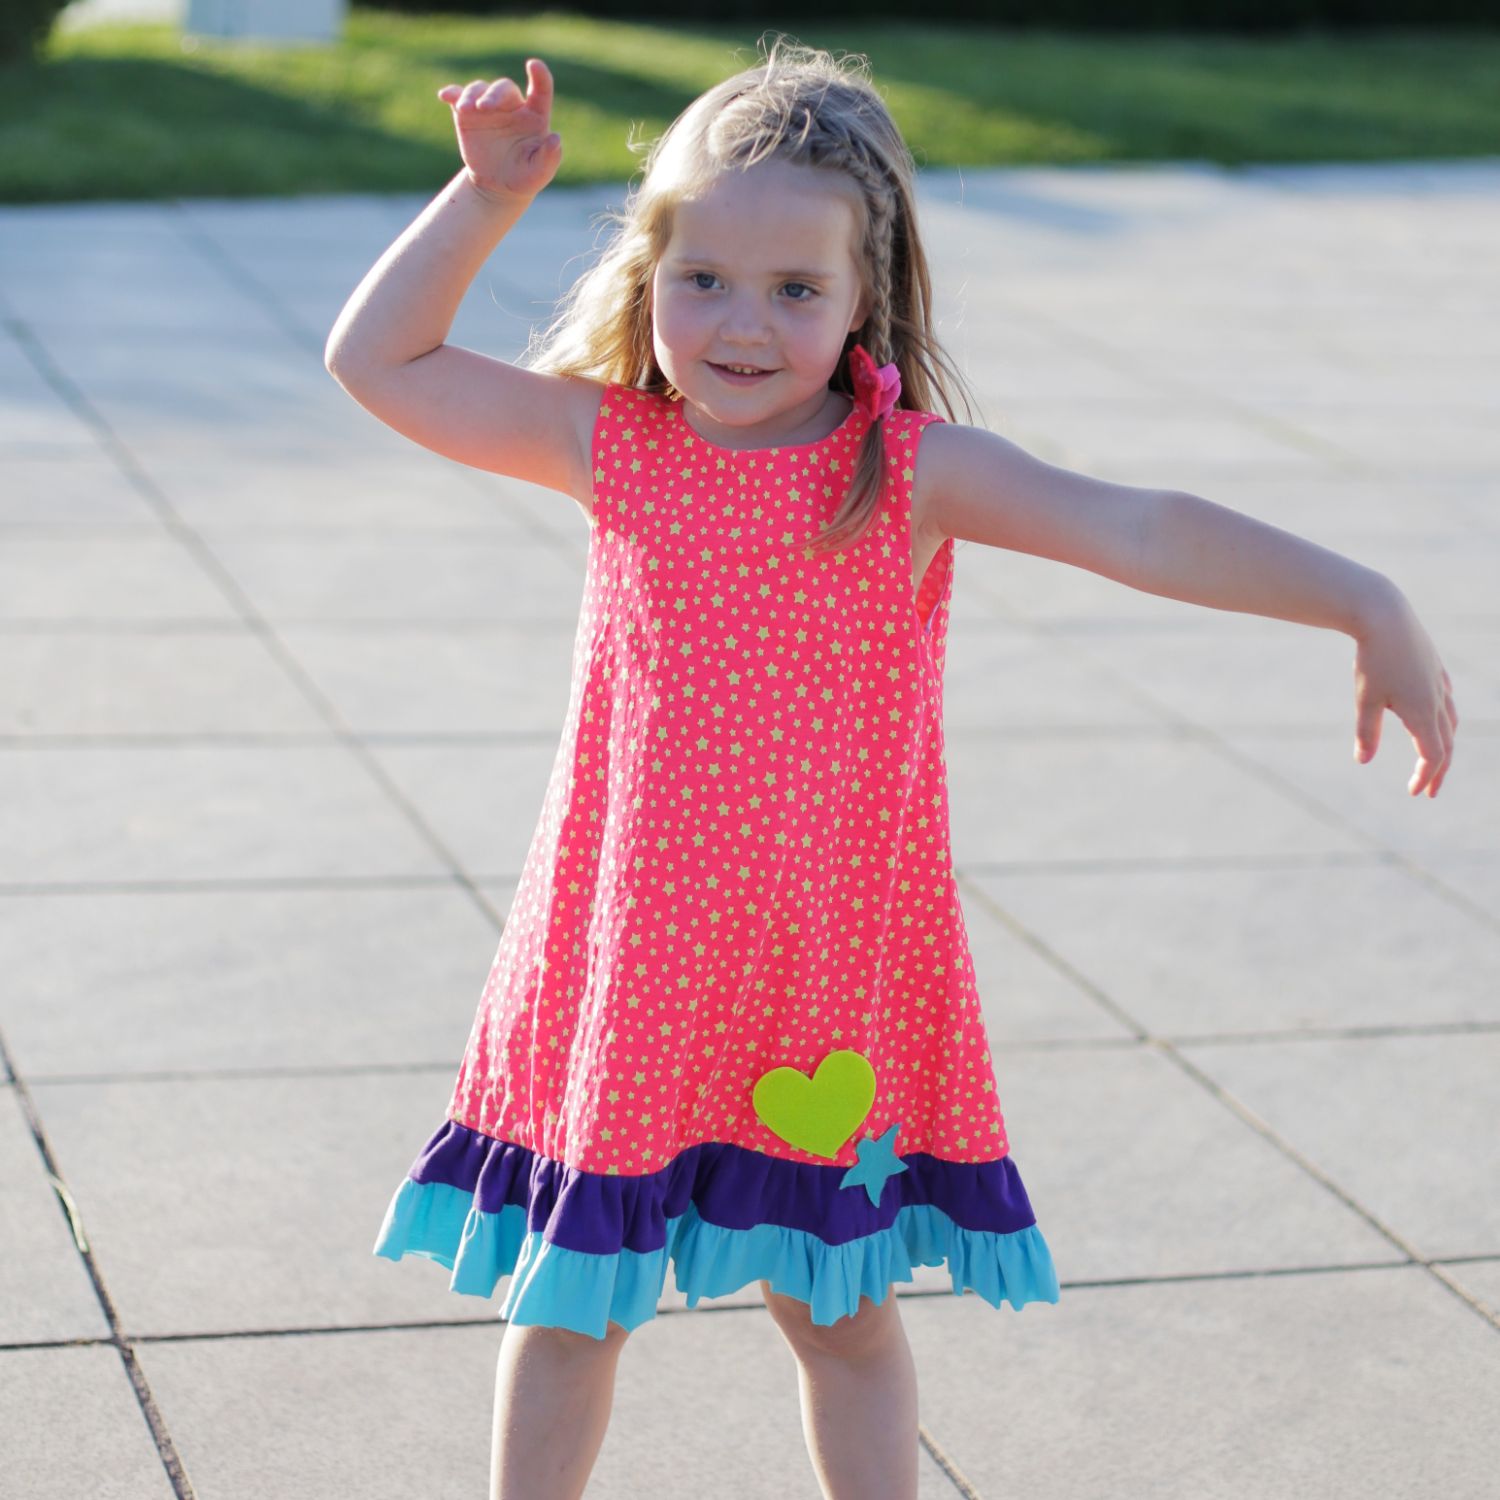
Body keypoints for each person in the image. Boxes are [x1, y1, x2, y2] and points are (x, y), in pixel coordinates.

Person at [323, 37, 1458, 1500]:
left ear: (871, 299)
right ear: (647, 274)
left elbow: (1145, 528)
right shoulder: (613, 446)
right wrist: (484, 200)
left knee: (843, 1320)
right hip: (637, 966)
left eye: (797, 289)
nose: (742, 323)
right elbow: (378, 362)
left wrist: (1362, 597)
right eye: (703, 279)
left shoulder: (907, 472)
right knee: (564, 1308)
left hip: (817, 982)